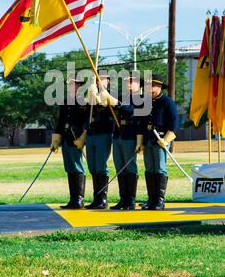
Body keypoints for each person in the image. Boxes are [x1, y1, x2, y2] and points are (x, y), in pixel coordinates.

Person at [138, 74, 178, 211]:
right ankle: (151, 199)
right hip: (148, 139)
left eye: (152, 85)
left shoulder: (167, 102)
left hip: (160, 140)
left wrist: (166, 140)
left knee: (160, 169)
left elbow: (174, 123)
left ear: (159, 86)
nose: (149, 88)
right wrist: (140, 142)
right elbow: (142, 123)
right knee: (150, 169)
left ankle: (160, 201)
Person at [102, 75, 143, 210]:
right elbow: (109, 110)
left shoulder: (140, 99)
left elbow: (130, 110)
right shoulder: (121, 97)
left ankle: (131, 199)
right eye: (127, 82)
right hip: (118, 135)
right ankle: (123, 199)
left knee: (130, 167)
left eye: (132, 82)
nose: (129, 84)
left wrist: (116, 103)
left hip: (130, 136)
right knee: (120, 167)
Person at [74, 74, 115, 209]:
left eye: (102, 79)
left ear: (108, 81)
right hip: (91, 134)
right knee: (92, 167)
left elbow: (108, 105)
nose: (99, 81)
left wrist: (97, 97)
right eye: (97, 79)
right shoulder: (92, 96)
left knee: (100, 167)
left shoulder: (111, 95)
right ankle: (97, 198)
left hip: (103, 134)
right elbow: (82, 111)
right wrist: (89, 97)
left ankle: (103, 199)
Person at [51, 78, 87, 209]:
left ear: (80, 85)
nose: (71, 86)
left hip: (76, 139)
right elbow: (60, 122)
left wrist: (82, 139)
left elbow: (86, 123)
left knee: (77, 168)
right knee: (70, 168)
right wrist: (55, 140)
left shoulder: (85, 101)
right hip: (66, 138)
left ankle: (79, 199)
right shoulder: (65, 101)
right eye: (69, 84)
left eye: (74, 84)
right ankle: (73, 199)